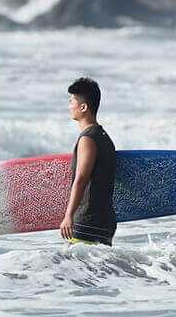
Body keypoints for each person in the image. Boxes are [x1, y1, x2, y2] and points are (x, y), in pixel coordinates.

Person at [60, 77, 117, 246]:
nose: (69, 107)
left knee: (73, 264)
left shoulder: (88, 139)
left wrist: (68, 215)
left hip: (86, 223)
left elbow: (81, 179)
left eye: (71, 102)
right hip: (105, 224)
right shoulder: (105, 138)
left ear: (83, 107)